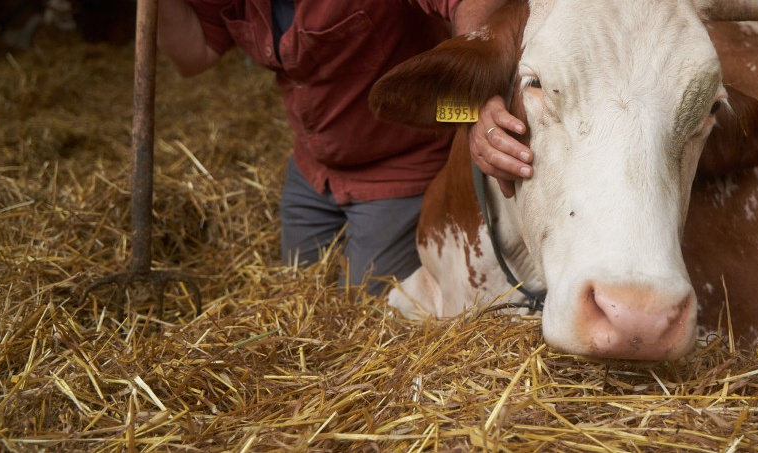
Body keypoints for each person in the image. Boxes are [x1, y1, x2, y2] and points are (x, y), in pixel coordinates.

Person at [157, 0, 532, 295]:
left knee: (362, 314)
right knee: (292, 294)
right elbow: (193, 56)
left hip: (399, 168)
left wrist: (476, 99)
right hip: (312, 169)